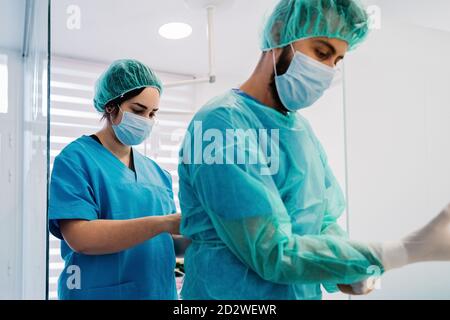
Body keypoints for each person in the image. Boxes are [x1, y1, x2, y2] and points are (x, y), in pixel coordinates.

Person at [178, 0, 450, 300]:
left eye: (336, 60)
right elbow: (269, 250)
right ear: (279, 33)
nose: (327, 69)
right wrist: (397, 253)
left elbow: (321, 220)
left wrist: (347, 272)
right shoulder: (218, 125)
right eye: (321, 52)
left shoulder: (300, 131)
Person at [49, 59, 181, 300]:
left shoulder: (158, 173)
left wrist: (204, 231)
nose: (147, 120)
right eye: (138, 111)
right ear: (111, 106)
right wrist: (163, 223)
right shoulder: (75, 159)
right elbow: (80, 238)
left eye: (153, 113)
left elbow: (169, 241)